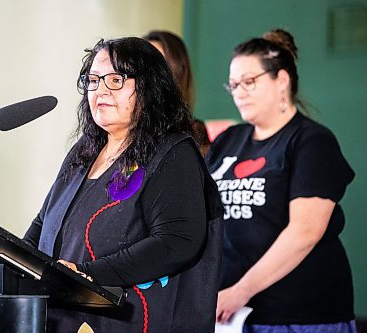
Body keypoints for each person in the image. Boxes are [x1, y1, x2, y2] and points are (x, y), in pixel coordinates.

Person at [24, 37, 223, 333]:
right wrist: (12, 264)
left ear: (150, 88)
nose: (100, 90)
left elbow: (177, 240)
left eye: (116, 79)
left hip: (134, 321)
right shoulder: (84, 151)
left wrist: (87, 275)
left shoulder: (172, 152)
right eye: (93, 80)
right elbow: (45, 223)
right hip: (62, 319)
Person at [206, 29, 356, 333]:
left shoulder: (311, 141)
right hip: (234, 316)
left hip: (299, 315)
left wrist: (240, 291)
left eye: (249, 82)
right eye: (233, 85)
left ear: (282, 81)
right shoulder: (228, 141)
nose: (239, 92)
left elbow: (305, 231)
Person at [143, 30, 210, 155]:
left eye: (157, 65)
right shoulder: (119, 129)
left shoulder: (193, 131)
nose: (147, 73)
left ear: (177, 72)